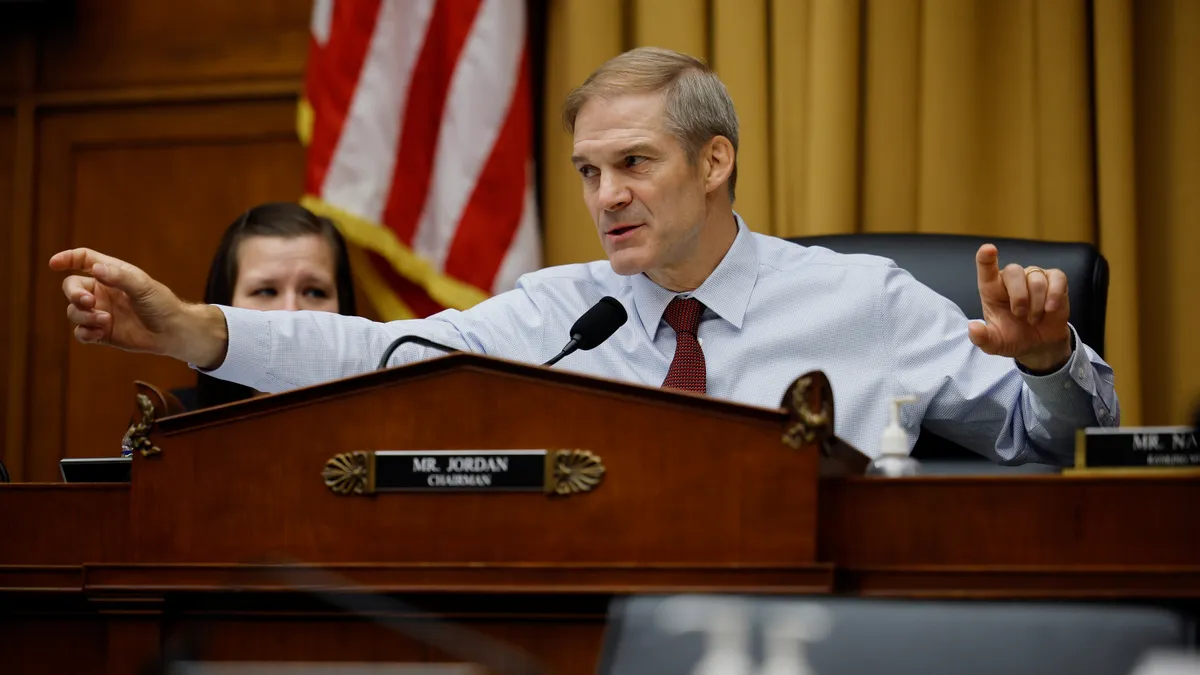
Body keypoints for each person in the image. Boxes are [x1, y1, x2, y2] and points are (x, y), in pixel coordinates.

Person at [50, 47, 1118, 464]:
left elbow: (1051, 446)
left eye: (633, 163)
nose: (606, 196)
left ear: (714, 162)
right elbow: (376, 353)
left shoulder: (867, 298)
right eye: (587, 171)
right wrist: (199, 332)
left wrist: (1041, 358)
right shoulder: (560, 312)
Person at [183, 202, 358, 410]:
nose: (291, 313)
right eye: (266, 291)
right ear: (224, 305)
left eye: (314, 292)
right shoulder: (164, 429)